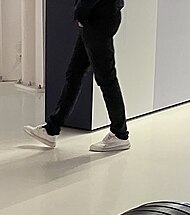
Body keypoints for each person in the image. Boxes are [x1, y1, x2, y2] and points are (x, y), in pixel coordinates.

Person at [24, 0, 129, 152]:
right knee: (75, 73)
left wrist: (81, 12)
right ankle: (52, 129)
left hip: (97, 19)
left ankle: (120, 134)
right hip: (98, 16)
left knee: (106, 79)